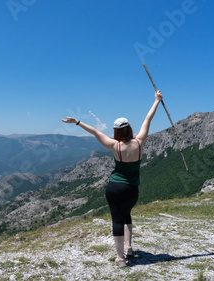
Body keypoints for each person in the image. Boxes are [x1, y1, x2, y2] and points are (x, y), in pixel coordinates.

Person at [61, 90, 163, 267]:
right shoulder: (140, 142)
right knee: (127, 215)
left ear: (116, 131)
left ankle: (120, 258)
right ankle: (129, 247)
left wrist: (77, 122)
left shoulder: (114, 146)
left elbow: (94, 132)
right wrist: (157, 101)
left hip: (115, 188)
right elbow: (148, 119)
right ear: (130, 128)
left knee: (117, 220)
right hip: (132, 189)